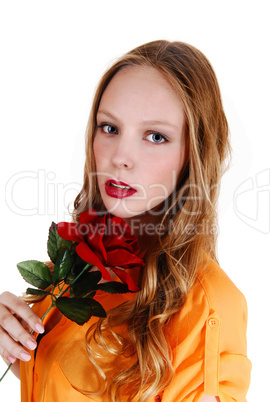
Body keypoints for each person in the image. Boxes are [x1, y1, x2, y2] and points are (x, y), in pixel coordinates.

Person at [0, 40, 251, 401]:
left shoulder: (209, 309)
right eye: (110, 128)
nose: (121, 157)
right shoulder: (76, 267)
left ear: (193, 154)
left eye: (155, 136)